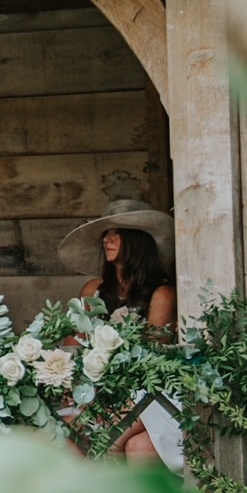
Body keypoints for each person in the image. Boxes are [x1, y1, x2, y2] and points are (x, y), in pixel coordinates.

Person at [57, 198, 181, 470]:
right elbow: (73, 345)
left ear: (137, 240)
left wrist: (104, 397)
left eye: (117, 233)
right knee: (61, 431)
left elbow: (150, 360)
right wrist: (71, 387)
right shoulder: (94, 289)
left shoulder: (162, 294)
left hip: (147, 392)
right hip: (98, 388)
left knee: (106, 438)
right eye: (106, 234)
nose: (107, 239)